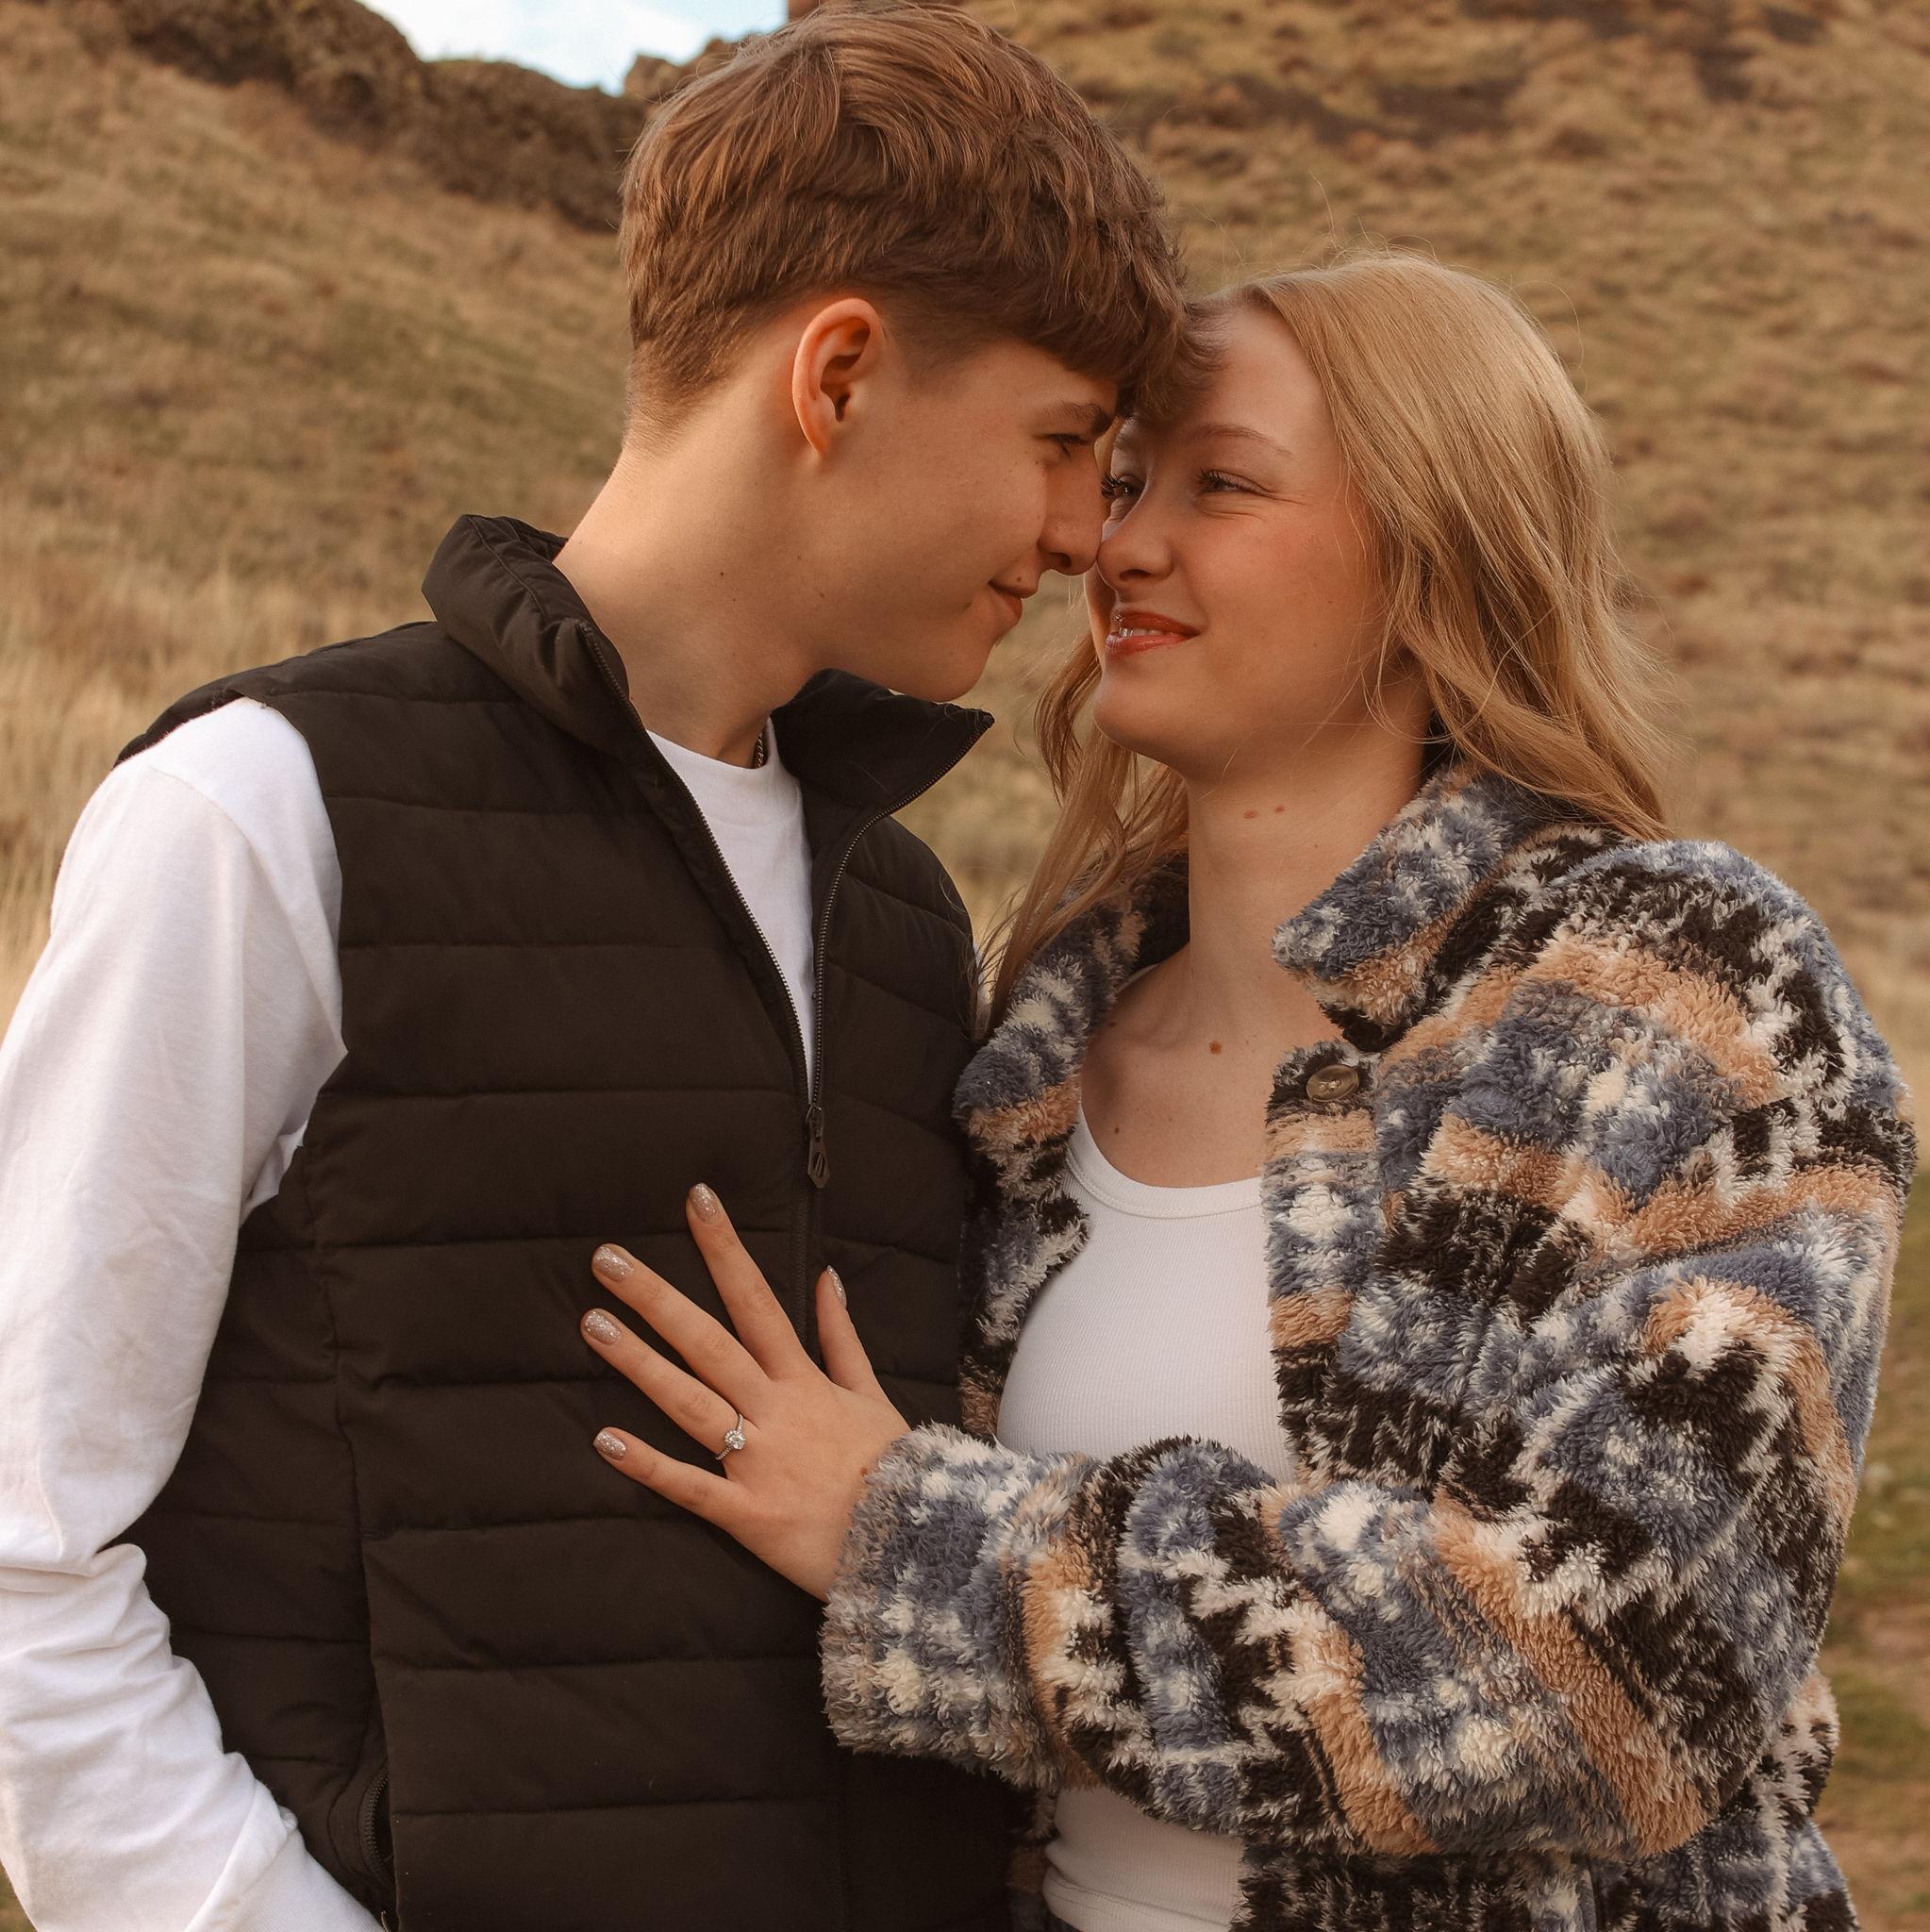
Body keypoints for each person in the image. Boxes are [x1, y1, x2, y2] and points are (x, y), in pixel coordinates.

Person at [0, 8, 1202, 1928]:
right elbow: (24, 1539)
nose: (1082, 536)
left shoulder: (902, 915)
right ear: (836, 375)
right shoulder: (263, 812)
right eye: (1062, 443)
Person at [567, 250, 1918, 1932]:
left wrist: (909, 1541)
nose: (1116, 543)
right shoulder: (1018, 1057)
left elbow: (1614, 1677)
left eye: (1220, 485)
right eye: (1123, 479)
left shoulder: (1673, 990)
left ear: (1432, 552)